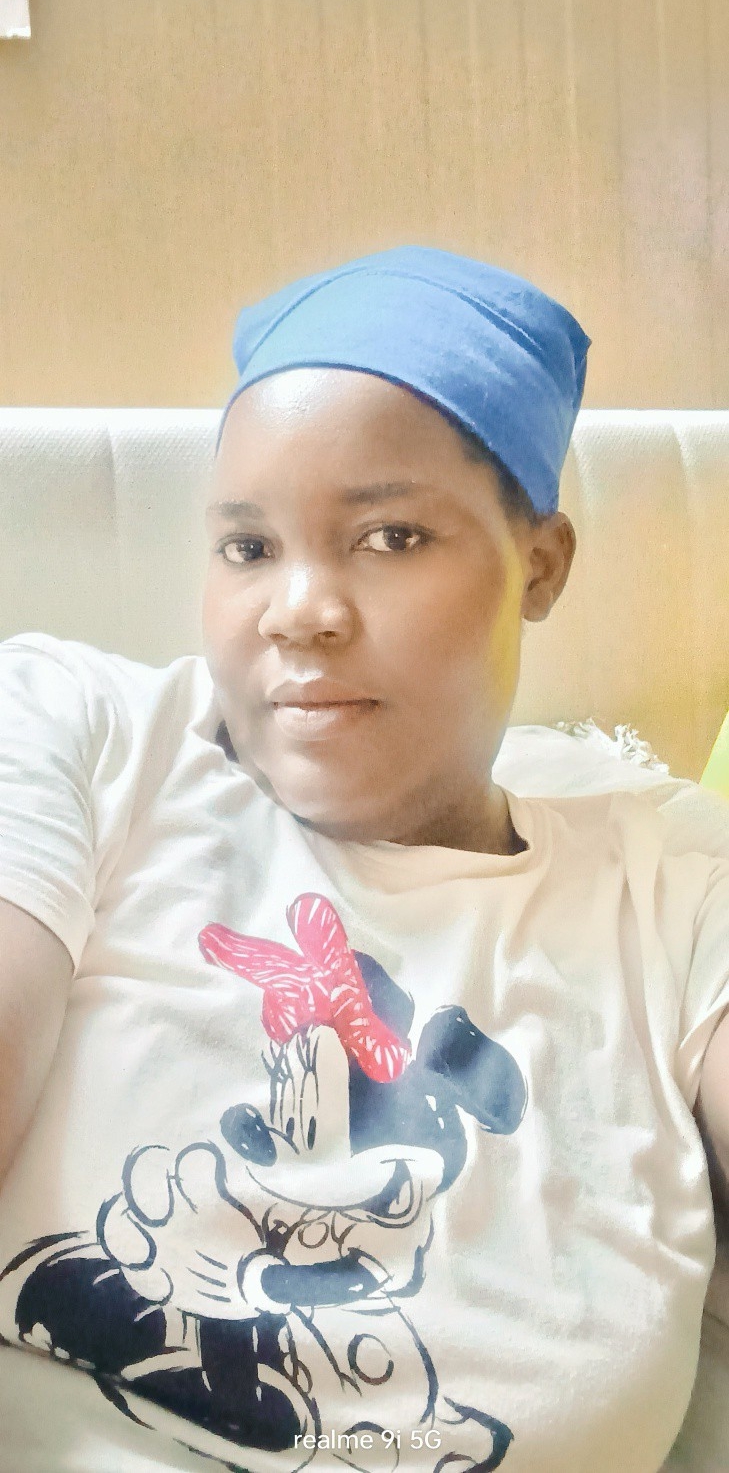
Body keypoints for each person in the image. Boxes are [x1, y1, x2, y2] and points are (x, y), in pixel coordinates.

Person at [0, 244, 727, 1473]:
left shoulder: (668, 882)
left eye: (389, 537)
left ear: (540, 564)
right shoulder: (87, 737)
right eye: (247, 548)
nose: (300, 610)